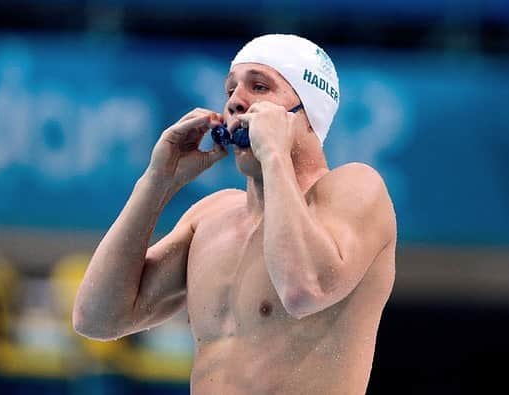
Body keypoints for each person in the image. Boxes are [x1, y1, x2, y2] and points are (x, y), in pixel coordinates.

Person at [73, 34, 396, 394]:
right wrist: (156, 182)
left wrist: (274, 154)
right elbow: (96, 319)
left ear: (306, 115)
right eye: (230, 90)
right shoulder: (211, 217)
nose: (236, 102)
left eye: (259, 86)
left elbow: (304, 289)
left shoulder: (354, 190)